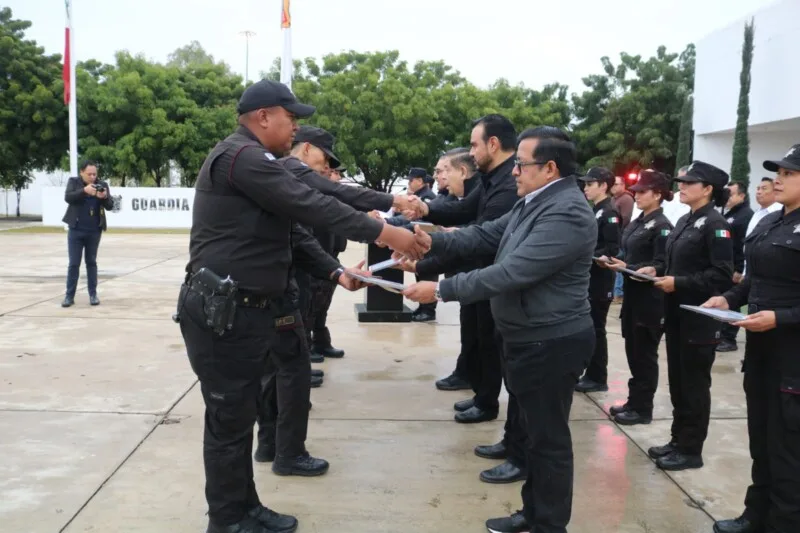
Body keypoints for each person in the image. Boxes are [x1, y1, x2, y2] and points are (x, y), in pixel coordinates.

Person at [176, 79, 422, 533]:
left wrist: (390, 203)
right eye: (291, 118)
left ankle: (244, 507)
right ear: (264, 116)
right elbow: (309, 204)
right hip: (223, 313)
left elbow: (325, 189)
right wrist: (387, 233)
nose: (296, 128)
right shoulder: (241, 158)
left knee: (239, 418)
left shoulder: (264, 159)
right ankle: (227, 519)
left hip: (244, 311)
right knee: (230, 422)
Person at [403, 126, 596, 533]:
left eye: (522, 165)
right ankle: (533, 513)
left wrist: (442, 289)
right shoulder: (535, 202)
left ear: (550, 168)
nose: (514, 172)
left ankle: (548, 524)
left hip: (551, 339)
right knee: (532, 435)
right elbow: (485, 234)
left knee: (548, 442)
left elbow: (513, 272)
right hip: (528, 336)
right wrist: (431, 244)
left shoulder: (567, 211)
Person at [404, 114, 523, 484]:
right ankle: (512, 438)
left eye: (473, 145)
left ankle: (504, 425)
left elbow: (485, 236)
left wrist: (431, 251)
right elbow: (468, 215)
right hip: (483, 279)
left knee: (503, 357)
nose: (470, 153)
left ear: (492, 144)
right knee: (486, 346)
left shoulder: (510, 188)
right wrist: (427, 212)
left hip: (497, 284)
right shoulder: (495, 181)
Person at [707, 144, 800, 533]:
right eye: (778, 171)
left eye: (790, 173)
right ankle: (756, 514)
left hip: (793, 357)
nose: (778, 179)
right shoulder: (768, 222)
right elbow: (752, 282)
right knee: (760, 438)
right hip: (760, 352)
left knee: (788, 449)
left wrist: (781, 318)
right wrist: (727, 298)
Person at [646, 160, 734, 471]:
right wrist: (657, 270)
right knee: (679, 382)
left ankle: (691, 449)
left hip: (699, 316)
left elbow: (721, 275)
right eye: (680, 182)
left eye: (689, 183)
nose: (681, 187)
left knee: (695, 385)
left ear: (708, 189)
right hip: (676, 313)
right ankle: (677, 439)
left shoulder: (715, 225)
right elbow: (677, 263)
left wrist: (678, 283)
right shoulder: (686, 220)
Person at [603, 170, 674, 425]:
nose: (637, 195)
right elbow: (634, 258)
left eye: (643, 191)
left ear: (657, 195)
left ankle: (643, 409)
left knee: (644, 355)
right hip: (634, 297)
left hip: (649, 301)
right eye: (636, 191)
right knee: (633, 352)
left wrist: (637, 269)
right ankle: (634, 402)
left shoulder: (662, 226)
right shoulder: (639, 221)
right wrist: (624, 264)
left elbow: (662, 264)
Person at [575, 167, 621, 393]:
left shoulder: (609, 212)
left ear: (603, 185)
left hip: (600, 279)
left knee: (596, 328)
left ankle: (597, 376)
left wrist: (591, 254)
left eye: (590, 184)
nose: (586, 188)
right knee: (590, 327)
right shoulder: (597, 210)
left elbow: (612, 249)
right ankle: (590, 372)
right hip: (590, 278)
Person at [61, 161, 115, 308]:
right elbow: (68, 197)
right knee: (74, 264)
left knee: (91, 263)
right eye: (89, 174)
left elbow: (110, 206)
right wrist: (84, 191)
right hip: (76, 230)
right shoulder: (74, 182)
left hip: (94, 231)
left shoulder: (102, 184)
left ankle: (93, 294)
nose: (92, 177)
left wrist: (103, 197)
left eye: (94, 174)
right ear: (82, 173)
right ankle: (69, 296)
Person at [718, 182, 755, 352]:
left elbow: (743, 245)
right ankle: (722, 333)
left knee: (732, 302)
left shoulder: (745, 215)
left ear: (741, 196)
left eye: (731, 194)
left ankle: (729, 338)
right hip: (725, 266)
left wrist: (739, 269)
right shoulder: (727, 213)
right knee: (724, 299)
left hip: (734, 267)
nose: (728, 197)